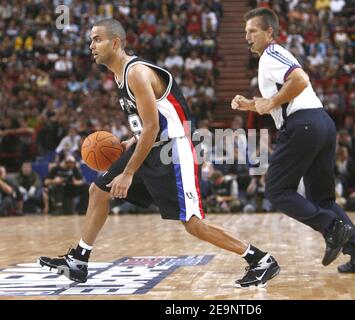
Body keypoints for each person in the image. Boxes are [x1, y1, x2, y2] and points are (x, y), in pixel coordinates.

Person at [38, 19, 279, 288]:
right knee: (98, 191)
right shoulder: (119, 75)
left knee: (194, 224)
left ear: (116, 43)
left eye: (97, 39)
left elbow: (153, 127)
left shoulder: (136, 73)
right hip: (150, 145)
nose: (91, 46)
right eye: (91, 40)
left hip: (174, 150)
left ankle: (260, 259)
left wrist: (128, 173)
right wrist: (133, 139)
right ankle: (79, 260)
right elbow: (148, 124)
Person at [231, 8, 355, 273]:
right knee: (323, 199)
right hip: (320, 123)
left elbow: (299, 80)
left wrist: (272, 101)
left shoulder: (271, 54)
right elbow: (278, 102)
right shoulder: (271, 58)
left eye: (252, 31)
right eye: (245, 32)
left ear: (269, 32)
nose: (247, 37)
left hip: (303, 125)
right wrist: (250, 105)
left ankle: (332, 227)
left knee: (276, 190)